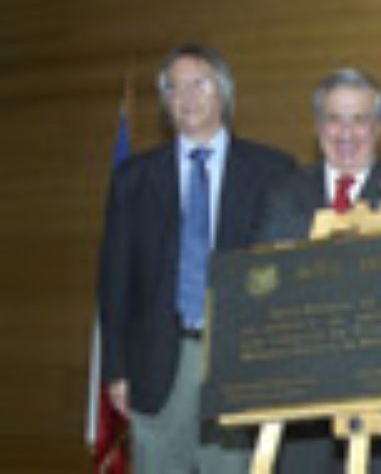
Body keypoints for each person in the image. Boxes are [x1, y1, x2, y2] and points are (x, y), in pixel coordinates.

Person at [97, 43, 296, 472]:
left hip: (237, 361)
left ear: (223, 92)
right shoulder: (134, 178)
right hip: (155, 363)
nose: (185, 96)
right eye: (173, 87)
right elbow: (114, 283)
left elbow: (287, 277)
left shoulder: (273, 172)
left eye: (198, 84)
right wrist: (115, 370)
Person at [255, 66, 381, 474]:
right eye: (334, 119)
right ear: (318, 128)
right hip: (301, 396)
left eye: (359, 120)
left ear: (378, 129)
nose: (346, 133)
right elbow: (266, 289)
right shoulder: (284, 195)